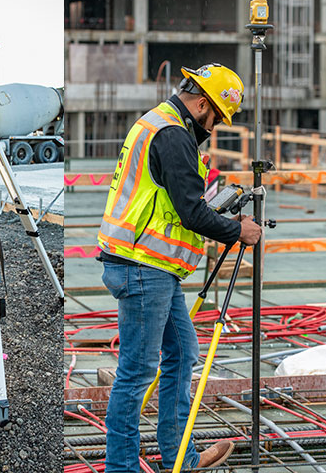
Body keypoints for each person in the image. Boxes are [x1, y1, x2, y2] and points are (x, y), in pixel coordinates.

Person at [97, 64, 261, 472]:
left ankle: (179, 457)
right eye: (217, 118)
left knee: (183, 352)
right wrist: (237, 230)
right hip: (142, 267)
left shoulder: (160, 125)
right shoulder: (172, 135)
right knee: (136, 374)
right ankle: (122, 467)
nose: (215, 127)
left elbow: (176, 199)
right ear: (203, 103)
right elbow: (190, 212)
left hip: (154, 267)